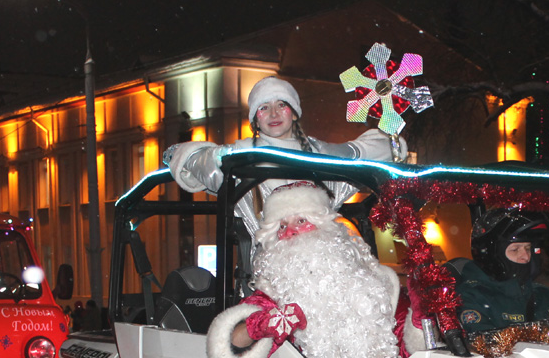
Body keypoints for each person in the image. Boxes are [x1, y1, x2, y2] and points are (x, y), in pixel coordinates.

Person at [205, 181, 424, 358]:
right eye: (282, 226)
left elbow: (410, 352)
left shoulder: (373, 284)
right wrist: (262, 325)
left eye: (301, 221)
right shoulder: (275, 292)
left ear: (325, 228)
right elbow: (228, 348)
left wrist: (419, 321)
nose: (289, 232)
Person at [163, 76, 402, 242]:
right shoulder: (242, 156)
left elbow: (378, 149)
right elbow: (187, 157)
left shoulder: (317, 152)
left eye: (281, 105)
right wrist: (212, 156)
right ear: (255, 118)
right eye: (264, 108)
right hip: (273, 271)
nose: (274, 114)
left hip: (326, 263)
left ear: (294, 112)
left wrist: (390, 141)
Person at [450, 209, 549, 333]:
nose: (526, 257)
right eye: (515, 250)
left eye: (528, 248)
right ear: (492, 254)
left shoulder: (543, 294)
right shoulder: (472, 296)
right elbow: (485, 345)